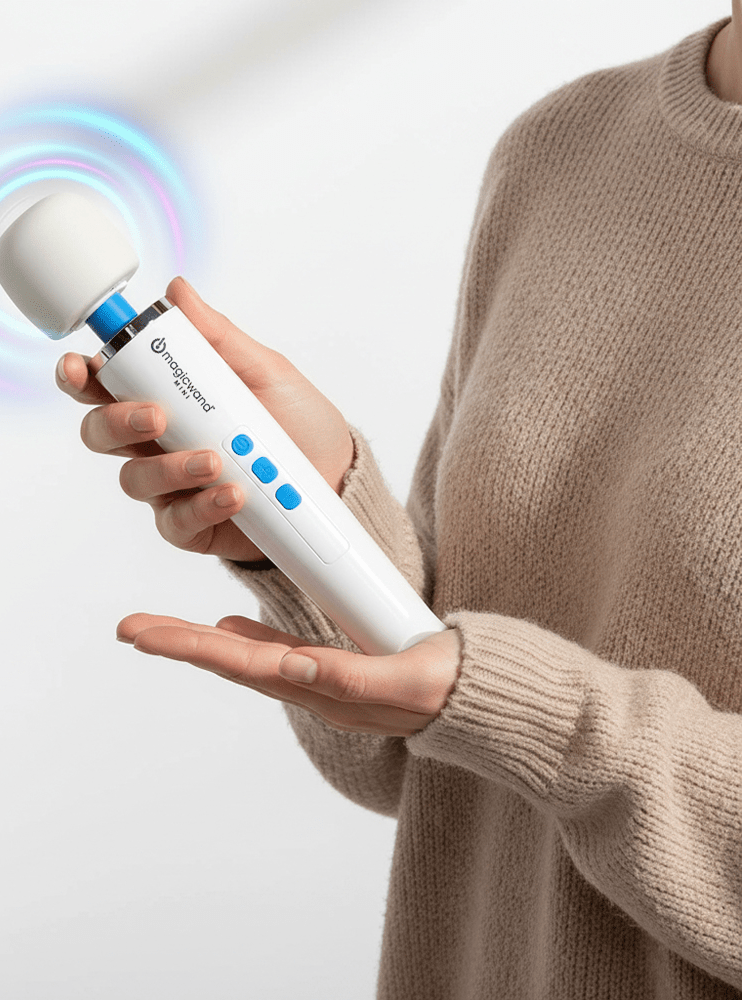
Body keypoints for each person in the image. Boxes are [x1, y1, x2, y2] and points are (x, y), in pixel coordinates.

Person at [57, 12, 742, 999]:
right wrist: (314, 522)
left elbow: (490, 702)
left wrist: (539, 719)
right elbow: (417, 771)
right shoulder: (564, 149)